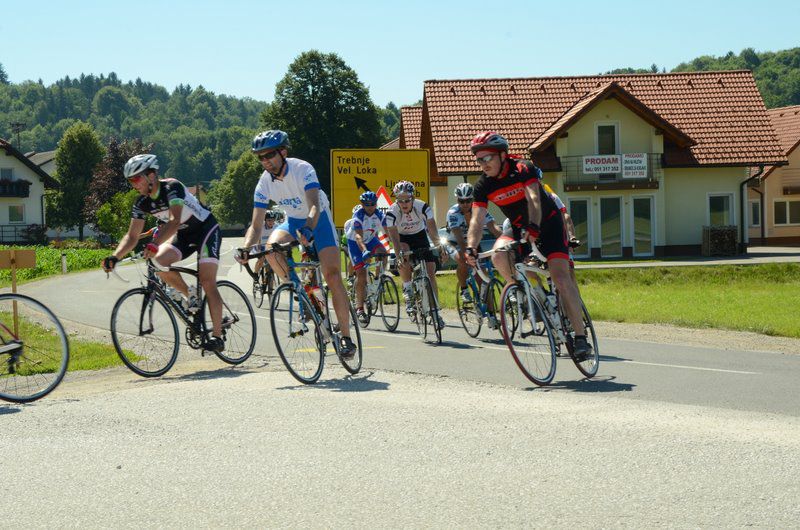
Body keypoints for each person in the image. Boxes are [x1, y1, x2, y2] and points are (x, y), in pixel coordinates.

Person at [464, 131, 592, 360]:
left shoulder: (523, 168)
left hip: (548, 224)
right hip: (519, 228)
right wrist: (470, 247)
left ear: (502, 155)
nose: (483, 164)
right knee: (498, 255)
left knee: (561, 278)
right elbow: (477, 218)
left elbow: (533, 198)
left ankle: (581, 338)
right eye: (479, 160)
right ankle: (527, 292)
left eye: (487, 158)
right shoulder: (483, 185)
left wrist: (534, 226)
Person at [237, 129, 356, 357]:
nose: (265, 161)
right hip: (292, 220)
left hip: (318, 219)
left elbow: (314, 206)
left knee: (332, 275)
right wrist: (246, 247)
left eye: (269, 155)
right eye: (260, 157)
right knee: (270, 251)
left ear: (283, 152)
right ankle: (299, 291)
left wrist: (309, 229)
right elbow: (256, 224)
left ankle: (346, 337)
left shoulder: (302, 169)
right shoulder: (264, 183)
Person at [101, 154, 225, 352]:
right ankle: (190, 294)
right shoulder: (141, 203)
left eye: (136, 179)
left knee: (207, 281)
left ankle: (217, 337)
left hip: (205, 230)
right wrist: (115, 257)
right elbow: (132, 236)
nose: (133, 184)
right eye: (130, 181)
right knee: (157, 262)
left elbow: (174, 221)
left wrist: (155, 243)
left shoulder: (171, 187)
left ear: (151, 175)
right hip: (183, 236)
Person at [384, 180, 445, 330]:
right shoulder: (392, 213)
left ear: (413, 198)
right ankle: (408, 290)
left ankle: (435, 311)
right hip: (402, 238)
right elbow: (394, 239)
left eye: (407, 200)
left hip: (420, 236)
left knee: (430, 272)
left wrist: (439, 246)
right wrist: (398, 255)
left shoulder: (422, 207)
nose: (404, 203)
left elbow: (432, 229)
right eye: (400, 200)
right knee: (403, 252)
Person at [445, 182, 501, 303]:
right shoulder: (453, 213)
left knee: (483, 278)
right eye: (461, 201)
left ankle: (490, 315)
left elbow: (493, 227)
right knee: (462, 260)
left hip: (472, 243)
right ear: (457, 200)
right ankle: (464, 289)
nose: (465, 204)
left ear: (473, 199)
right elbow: (459, 238)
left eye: (468, 200)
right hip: (454, 242)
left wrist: (504, 239)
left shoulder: (479, 209)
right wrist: (467, 254)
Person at [345, 191, 388, 324]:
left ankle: (377, 279)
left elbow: (389, 231)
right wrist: (364, 251)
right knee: (362, 274)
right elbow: (358, 237)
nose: (371, 207)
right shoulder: (358, 216)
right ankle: (359, 308)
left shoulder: (380, 214)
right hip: (355, 243)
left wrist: (395, 247)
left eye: (373, 204)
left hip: (370, 239)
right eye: (367, 204)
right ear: (362, 205)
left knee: (383, 252)